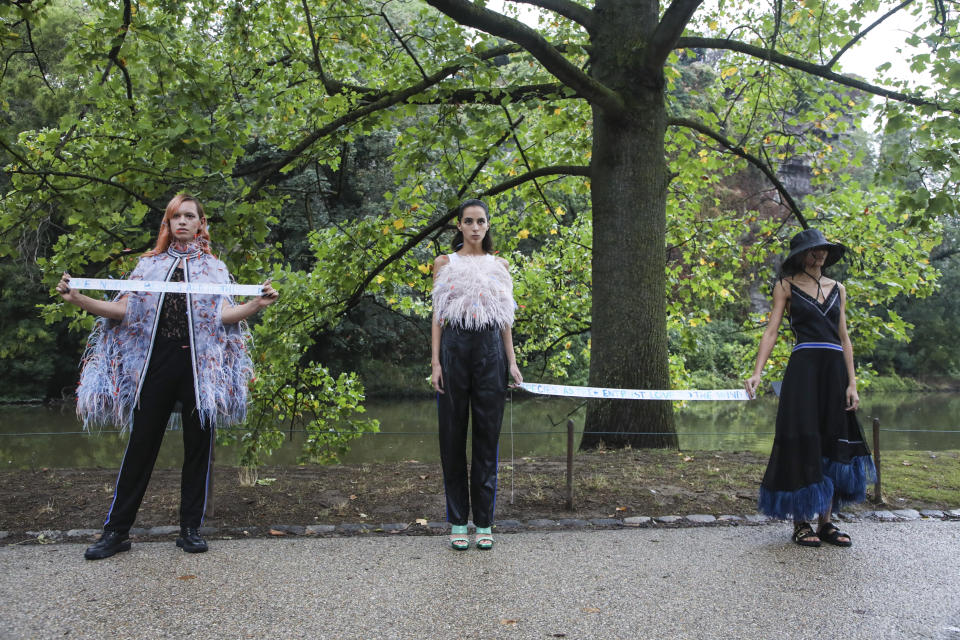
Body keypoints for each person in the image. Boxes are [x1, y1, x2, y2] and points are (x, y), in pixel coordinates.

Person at [56, 193, 278, 560]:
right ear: (168, 223)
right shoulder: (149, 266)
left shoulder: (214, 269)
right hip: (154, 365)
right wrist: (79, 299)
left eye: (190, 216)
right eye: (176, 216)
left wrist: (256, 304)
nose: (183, 222)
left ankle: (190, 529)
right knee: (140, 446)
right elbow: (122, 309)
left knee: (199, 447)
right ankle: (116, 532)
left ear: (201, 224)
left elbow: (223, 315)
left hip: (198, 368)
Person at [745, 228, 875, 548]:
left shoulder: (839, 288)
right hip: (803, 371)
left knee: (832, 444)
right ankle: (801, 523)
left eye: (823, 250)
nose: (819, 255)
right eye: (813, 250)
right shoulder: (785, 287)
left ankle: (826, 523)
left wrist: (853, 384)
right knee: (804, 440)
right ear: (801, 255)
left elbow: (844, 338)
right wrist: (757, 373)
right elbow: (772, 331)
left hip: (834, 374)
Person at [431, 199, 522, 550]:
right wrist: (436, 363)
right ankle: (457, 521)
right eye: (468, 221)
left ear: (487, 225)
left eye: (480, 221)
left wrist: (511, 362)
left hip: (489, 352)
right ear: (459, 226)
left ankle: (483, 523)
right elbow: (437, 316)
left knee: (487, 439)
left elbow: (505, 318)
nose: (474, 227)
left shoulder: (500, 264)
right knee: (452, 438)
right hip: (454, 348)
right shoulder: (444, 263)